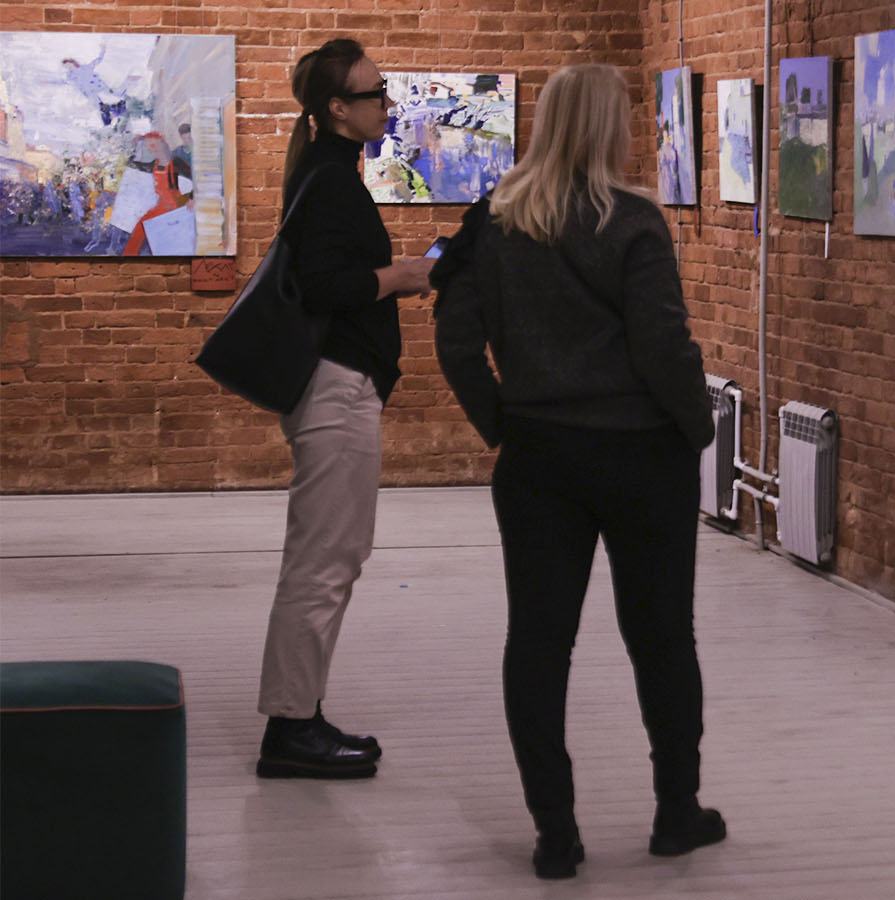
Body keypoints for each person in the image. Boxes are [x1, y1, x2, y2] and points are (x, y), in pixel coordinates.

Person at [433, 63, 724, 880]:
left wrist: (503, 422)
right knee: (662, 637)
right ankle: (676, 812)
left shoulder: (494, 222)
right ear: (607, 127)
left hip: (539, 459)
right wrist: (696, 425)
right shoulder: (632, 222)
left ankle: (555, 833)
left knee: (538, 641)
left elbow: (455, 341)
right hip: (643, 457)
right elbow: (662, 343)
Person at [255, 38, 433, 780]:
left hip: (338, 384)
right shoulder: (330, 181)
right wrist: (403, 275)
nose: (386, 103)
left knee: (333, 555)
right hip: (335, 387)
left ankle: (299, 715)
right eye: (373, 93)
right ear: (337, 108)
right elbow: (327, 285)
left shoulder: (329, 173)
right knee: (324, 560)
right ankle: (292, 728)